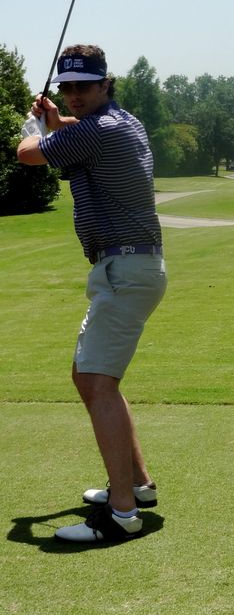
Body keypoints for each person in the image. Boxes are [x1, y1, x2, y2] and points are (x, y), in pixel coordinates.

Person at [17, 44, 167, 543]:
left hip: (125, 268)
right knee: (89, 376)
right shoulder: (123, 122)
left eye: (84, 86)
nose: (75, 95)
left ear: (106, 84)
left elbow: (28, 155)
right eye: (67, 87)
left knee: (98, 382)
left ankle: (123, 514)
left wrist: (31, 122)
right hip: (126, 266)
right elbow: (74, 138)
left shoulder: (100, 130)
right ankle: (138, 484)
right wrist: (57, 120)